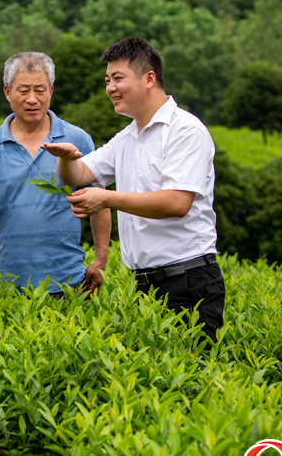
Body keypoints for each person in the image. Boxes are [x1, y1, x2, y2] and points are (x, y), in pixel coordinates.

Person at [43, 37, 224, 346]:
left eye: (118, 78)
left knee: (191, 380)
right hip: (145, 284)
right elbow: (80, 173)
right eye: (107, 80)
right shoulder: (128, 137)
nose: (110, 88)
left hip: (189, 281)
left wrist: (106, 199)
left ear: (149, 78)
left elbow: (177, 202)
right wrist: (64, 157)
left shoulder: (185, 130)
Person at [0, 51, 111, 296]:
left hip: (67, 281)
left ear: (51, 91)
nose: (32, 99)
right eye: (23, 90)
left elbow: (100, 202)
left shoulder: (78, 139)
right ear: (7, 92)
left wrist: (101, 258)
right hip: (8, 284)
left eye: (40, 89)